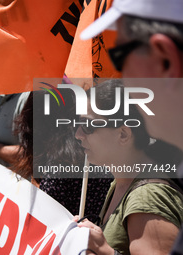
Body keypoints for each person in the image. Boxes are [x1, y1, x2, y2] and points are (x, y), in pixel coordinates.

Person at [80, 0, 183, 253]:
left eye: (120, 56)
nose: (121, 76)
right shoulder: (120, 182)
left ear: (165, 60)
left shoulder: (147, 195)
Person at [74, 80, 183, 255]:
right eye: (78, 124)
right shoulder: (121, 182)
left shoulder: (147, 196)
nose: (78, 134)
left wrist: (106, 252)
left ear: (123, 134)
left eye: (88, 125)